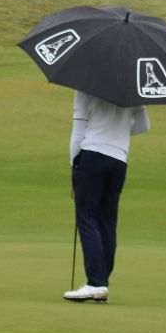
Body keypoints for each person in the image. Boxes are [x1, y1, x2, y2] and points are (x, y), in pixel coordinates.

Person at [65, 91, 149, 303]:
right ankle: (101, 283)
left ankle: (96, 283)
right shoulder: (132, 90)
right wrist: (117, 132)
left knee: (86, 217)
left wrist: (74, 168)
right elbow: (143, 125)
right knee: (107, 222)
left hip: (92, 156)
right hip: (119, 161)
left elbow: (78, 132)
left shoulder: (84, 88)